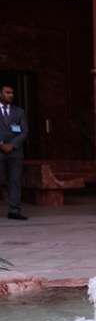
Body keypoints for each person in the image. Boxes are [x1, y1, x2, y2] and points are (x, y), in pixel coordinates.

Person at [1, 86, 28, 221]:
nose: (11, 95)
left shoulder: (19, 111)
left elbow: (24, 131)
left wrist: (12, 145)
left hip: (15, 152)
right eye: (7, 92)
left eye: (12, 93)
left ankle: (14, 210)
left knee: (15, 181)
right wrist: (1, 144)